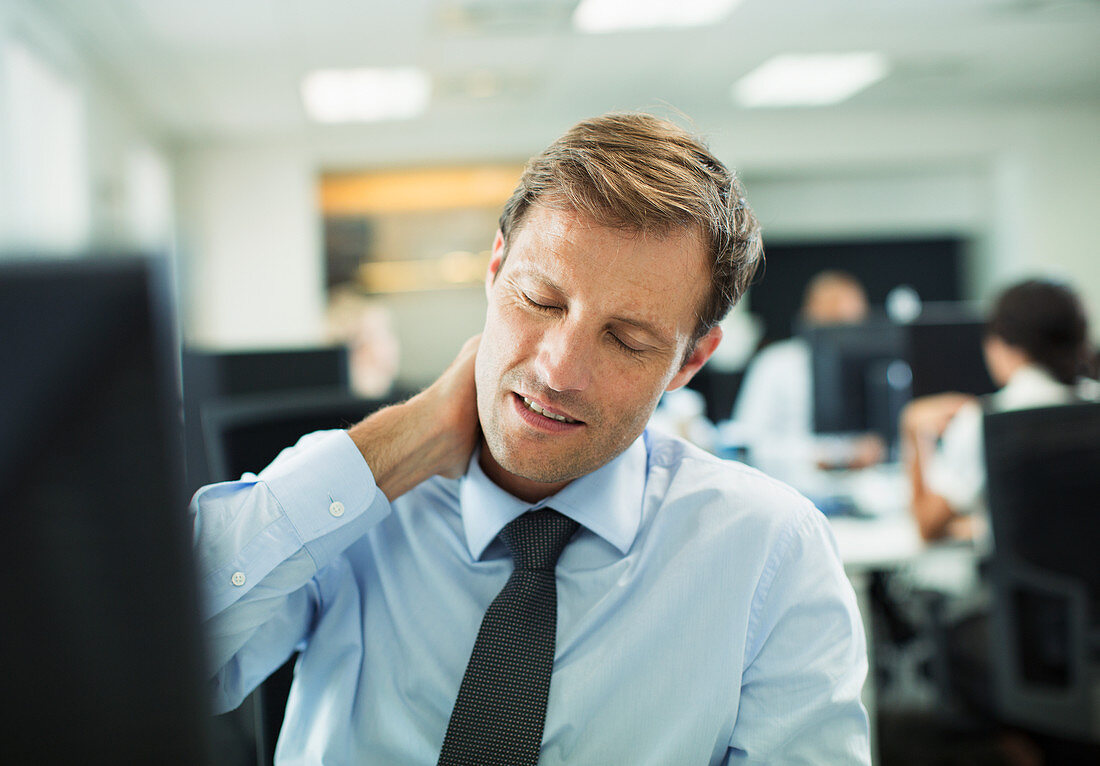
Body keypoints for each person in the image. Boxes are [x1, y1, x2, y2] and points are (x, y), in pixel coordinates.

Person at [194, 113, 870, 764]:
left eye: (627, 339)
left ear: (689, 363)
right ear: (494, 270)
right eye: (540, 302)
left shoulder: (769, 550)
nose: (558, 371)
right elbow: (141, 664)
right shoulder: (346, 499)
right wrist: (400, 444)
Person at [902, 278, 1098, 543]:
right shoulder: (1092, 406)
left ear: (1003, 343)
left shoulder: (982, 423)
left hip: (1025, 584)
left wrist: (912, 432)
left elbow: (928, 526)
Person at [731, 270, 884, 490]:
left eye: (852, 326)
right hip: (793, 489)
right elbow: (746, 441)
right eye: (834, 323)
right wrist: (824, 456)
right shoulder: (775, 363)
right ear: (808, 317)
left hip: (861, 490)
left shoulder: (874, 370)